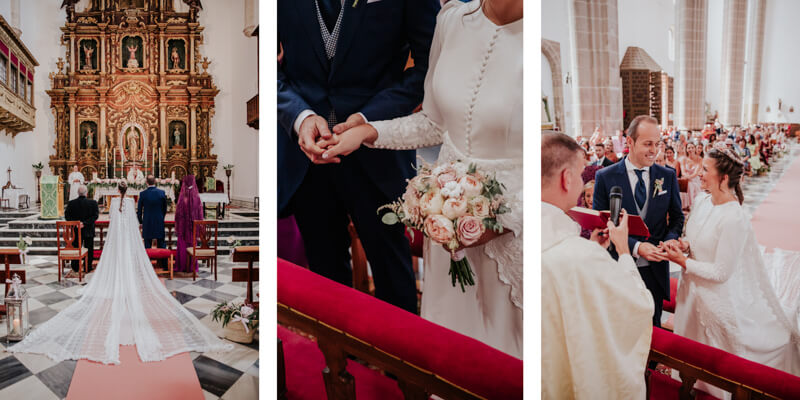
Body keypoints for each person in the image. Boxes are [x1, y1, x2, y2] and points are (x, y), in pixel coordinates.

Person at [316, 0, 523, 356]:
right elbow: (433, 123)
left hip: (511, 230)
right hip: (448, 221)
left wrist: (505, 220)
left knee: (504, 359)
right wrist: (367, 132)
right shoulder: (451, 20)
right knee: (449, 350)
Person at [277, 0, 439, 314]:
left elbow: (429, 67)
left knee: (393, 275)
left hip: (379, 151)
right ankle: (336, 361)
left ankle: (399, 361)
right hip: (308, 157)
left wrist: (369, 120)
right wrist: (300, 116)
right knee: (326, 278)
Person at [9, 182, 232, 364]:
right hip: (129, 241)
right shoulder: (128, 203)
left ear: (118, 190)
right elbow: (135, 221)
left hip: (115, 244)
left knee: (111, 260)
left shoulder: (114, 203)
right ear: (128, 190)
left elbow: (114, 224)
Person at [663, 145, 800, 397]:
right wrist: (683, 244)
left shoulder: (734, 218)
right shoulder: (703, 201)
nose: (698, 172)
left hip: (713, 300)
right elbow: (698, 239)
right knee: (689, 351)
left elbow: (721, 272)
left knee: (715, 362)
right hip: (690, 292)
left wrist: (682, 262)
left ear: (723, 178)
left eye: (705, 169)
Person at [541, 132, 653, 399]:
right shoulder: (580, 256)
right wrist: (624, 251)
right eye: (580, 175)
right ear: (566, 179)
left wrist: (591, 248)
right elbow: (639, 305)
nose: (582, 184)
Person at [593, 115, 684, 327]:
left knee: (652, 327)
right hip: (618, 268)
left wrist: (671, 239)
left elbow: (677, 217)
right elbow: (601, 224)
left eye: (657, 144)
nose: (654, 150)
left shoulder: (667, 176)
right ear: (630, 142)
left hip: (655, 269)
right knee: (620, 326)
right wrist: (636, 247)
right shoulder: (605, 177)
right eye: (648, 144)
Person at [64, 185, 99, 277]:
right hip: (88, 230)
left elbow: (67, 216)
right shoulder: (93, 203)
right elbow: (95, 216)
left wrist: (77, 223)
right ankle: (88, 267)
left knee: (76, 247)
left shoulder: (71, 203)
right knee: (89, 248)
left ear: (78, 193)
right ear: (86, 193)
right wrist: (85, 223)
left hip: (76, 231)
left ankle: (75, 267)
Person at [175, 175, 203, 273]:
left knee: (182, 246)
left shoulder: (182, 198)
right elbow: (200, 214)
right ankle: (191, 266)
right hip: (193, 229)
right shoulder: (197, 198)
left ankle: (181, 266)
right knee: (192, 245)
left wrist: (178, 227)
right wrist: (199, 230)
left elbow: (177, 214)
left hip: (183, 229)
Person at [138, 175, 167, 249]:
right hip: (159, 220)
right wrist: (161, 217)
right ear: (155, 181)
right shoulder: (162, 193)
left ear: (146, 182)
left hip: (147, 221)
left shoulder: (143, 194)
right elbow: (165, 208)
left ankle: (147, 260)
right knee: (161, 244)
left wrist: (141, 221)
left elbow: (139, 210)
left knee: (147, 245)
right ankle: (163, 260)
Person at [681, 142, 703, 210]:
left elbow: (696, 173)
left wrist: (689, 178)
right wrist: (687, 178)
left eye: (692, 148)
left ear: (695, 149)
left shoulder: (699, 159)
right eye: (689, 148)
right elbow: (683, 172)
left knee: (691, 184)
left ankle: (693, 205)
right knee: (689, 184)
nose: (690, 149)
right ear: (686, 150)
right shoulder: (684, 159)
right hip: (686, 178)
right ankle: (688, 205)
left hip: (695, 179)